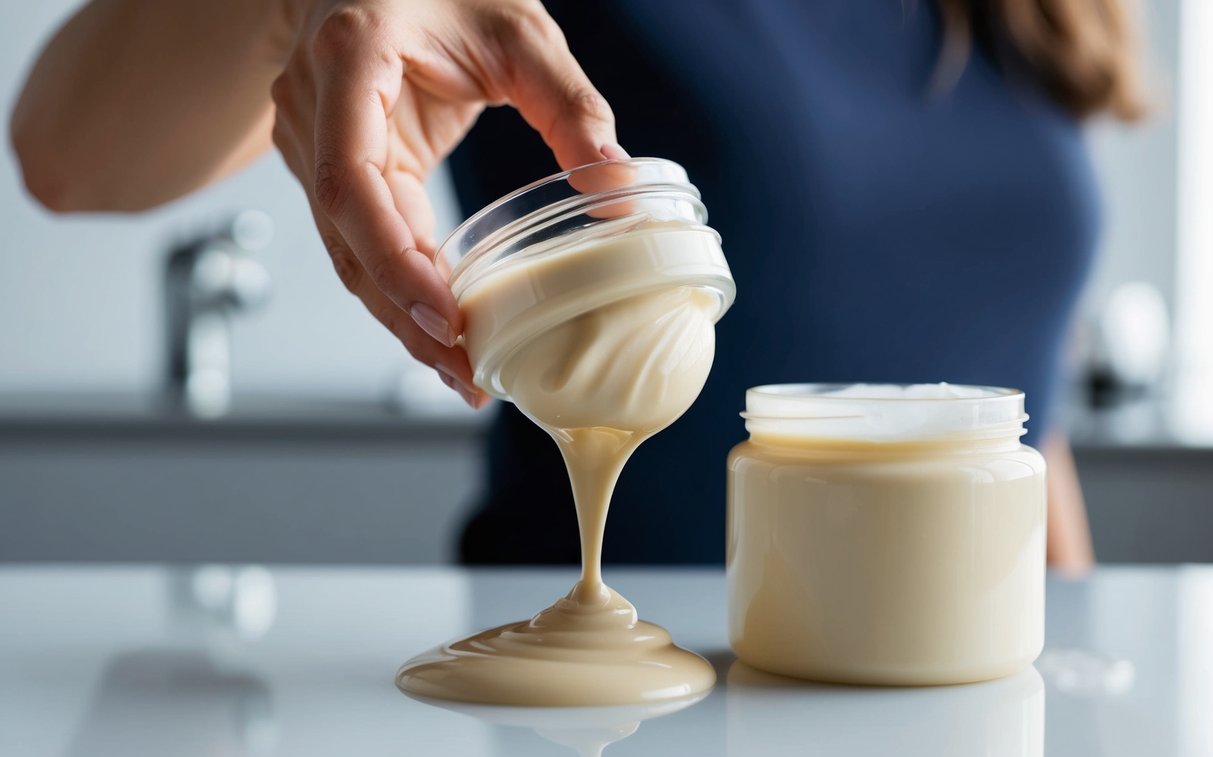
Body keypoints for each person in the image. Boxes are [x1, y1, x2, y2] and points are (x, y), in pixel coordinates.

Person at [11, 0, 1142, 572]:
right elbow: (69, 151)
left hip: (947, 715)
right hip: (607, 732)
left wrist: (1074, 693)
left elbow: (1008, 400)